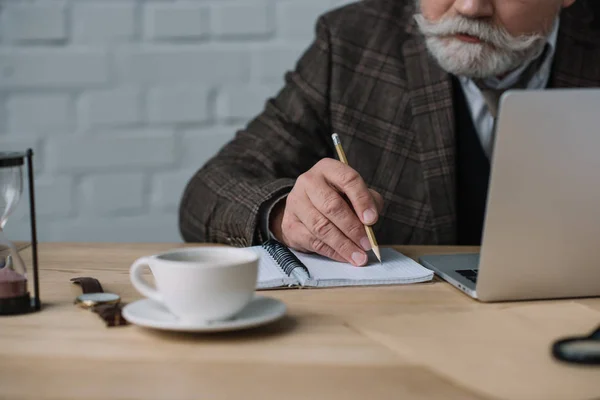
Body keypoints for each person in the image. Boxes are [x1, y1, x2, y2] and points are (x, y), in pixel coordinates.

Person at [179, 0, 600, 267]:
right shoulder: (353, 42)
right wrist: (285, 214)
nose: (471, 7)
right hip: (407, 326)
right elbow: (208, 192)